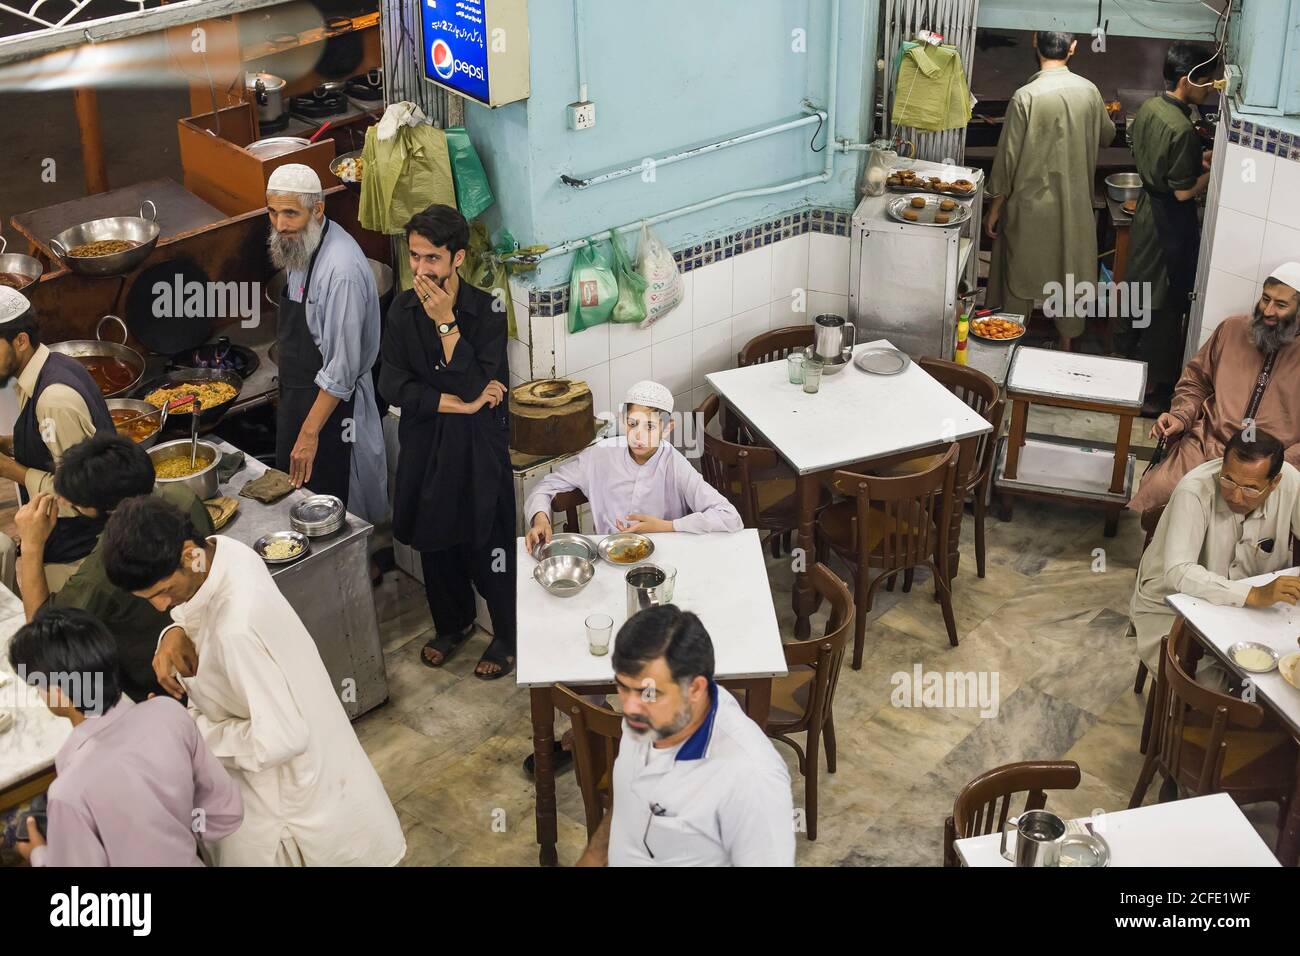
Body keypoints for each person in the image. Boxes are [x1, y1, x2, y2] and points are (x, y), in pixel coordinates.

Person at [100, 495, 406, 867]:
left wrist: (190, 732)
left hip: (286, 806)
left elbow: (282, 738)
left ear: (185, 554)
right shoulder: (223, 554)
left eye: (162, 592)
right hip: (300, 778)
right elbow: (201, 603)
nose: (161, 606)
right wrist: (175, 630)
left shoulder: (236, 630)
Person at [379, 203, 515, 679]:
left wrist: (446, 324)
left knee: (488, 540)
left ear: (457, 258)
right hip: (428, 441)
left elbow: (478, 384)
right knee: (436, 542)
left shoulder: (488, 310)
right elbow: (392, 385)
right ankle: (452, 624)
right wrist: (460, 403)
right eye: (414, 257)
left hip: (478, 446)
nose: (420, 269)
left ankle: (507, 634)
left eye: (431, 258)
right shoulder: (400, 308)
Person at [8, 607, 243, 867]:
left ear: (56, 692)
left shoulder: (69, 792)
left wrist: (40, 856)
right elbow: (224, 814)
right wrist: (174, 824)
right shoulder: (170, 714)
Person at [576, 606, 794, 867]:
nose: (629, 708)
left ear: (695, 688)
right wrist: (593, 857)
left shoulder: (752, 778)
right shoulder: (646, 719)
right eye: (622, 687)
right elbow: (628, 803)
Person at [11, 434, 213, 702]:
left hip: (162, 683)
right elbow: (201, 563)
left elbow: (45, 637)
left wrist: (31, 545)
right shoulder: (181, 496)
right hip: (206, 642)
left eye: (75, 503)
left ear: (107, 511)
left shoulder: (109, 565)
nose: (65, 504)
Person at [1129, 429, 1300, 686]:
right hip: (1172, 605)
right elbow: (1179, 572)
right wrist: (1253, 594)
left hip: (1252, 612)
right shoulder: (1194, 491)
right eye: (1228, 480)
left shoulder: (1290, 482)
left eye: (1251, 488)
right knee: (1215, 688)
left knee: (1282, 675)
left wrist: (1259, 596)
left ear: (1274, 482)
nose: (1235, 495)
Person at [266, 163, 386, 526]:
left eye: (290, 213)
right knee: (300, 502)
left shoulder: (341, 271)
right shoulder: (299, 244)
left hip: (336, 413)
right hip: (302, 395)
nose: (280, 224)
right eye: (273, 212)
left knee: (337, 509)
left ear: (318, 209)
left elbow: (341, 372)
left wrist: (308, 434)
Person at [983, 31, 1115, 350]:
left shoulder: (1025, 96)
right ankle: (1065, 349)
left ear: (1034, 45)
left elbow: (1007, 160)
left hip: (1029, 209)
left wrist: (995, 208)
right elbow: (1107, 137)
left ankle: (1008, 345)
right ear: (1072, 48)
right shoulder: (1089, 91)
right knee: (1070, 277)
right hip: (1075, 208)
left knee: (1016, 277)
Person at [1131, 267, 1300, 514]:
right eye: (1265, 299)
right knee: (1161, 493)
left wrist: (1279, 465)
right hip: (1207, 444)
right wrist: (1180, 416)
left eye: (1281, 305)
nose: (1268, 310)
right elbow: (1195, 383)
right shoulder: (1232, 330)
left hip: (1267, 466)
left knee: (1253, 523)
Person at [524, 380, 743, 550]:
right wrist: (541, 519)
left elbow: (729, 517)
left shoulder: (674, 463)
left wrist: (667, 526)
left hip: (665, 555)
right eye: (632, 424)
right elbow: (545, 487)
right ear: (622, 420)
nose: (638, 436)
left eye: (650, 427)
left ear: (667, 428)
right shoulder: (601, 455)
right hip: (607, 554)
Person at [0, 287, 114, 593]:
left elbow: (82, 497)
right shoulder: (49, 367)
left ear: (20, 341)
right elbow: (51, 447)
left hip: (78, 561)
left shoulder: (54, 399)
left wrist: (9, 470)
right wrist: (9, 444)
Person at [1124, 42, 1218, 406]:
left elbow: (1155, 157)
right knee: (1163, 300)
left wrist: (1199, 158)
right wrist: (1210, 173)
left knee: (1141, 288)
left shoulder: (1151, 107)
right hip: (1169, 221)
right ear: (1186, 79)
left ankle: (1128, 358)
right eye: (1206, 81)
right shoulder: (1181, 127)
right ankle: (1153, 384)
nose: (1210, 87)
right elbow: (1182, 193)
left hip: (1148, 209)